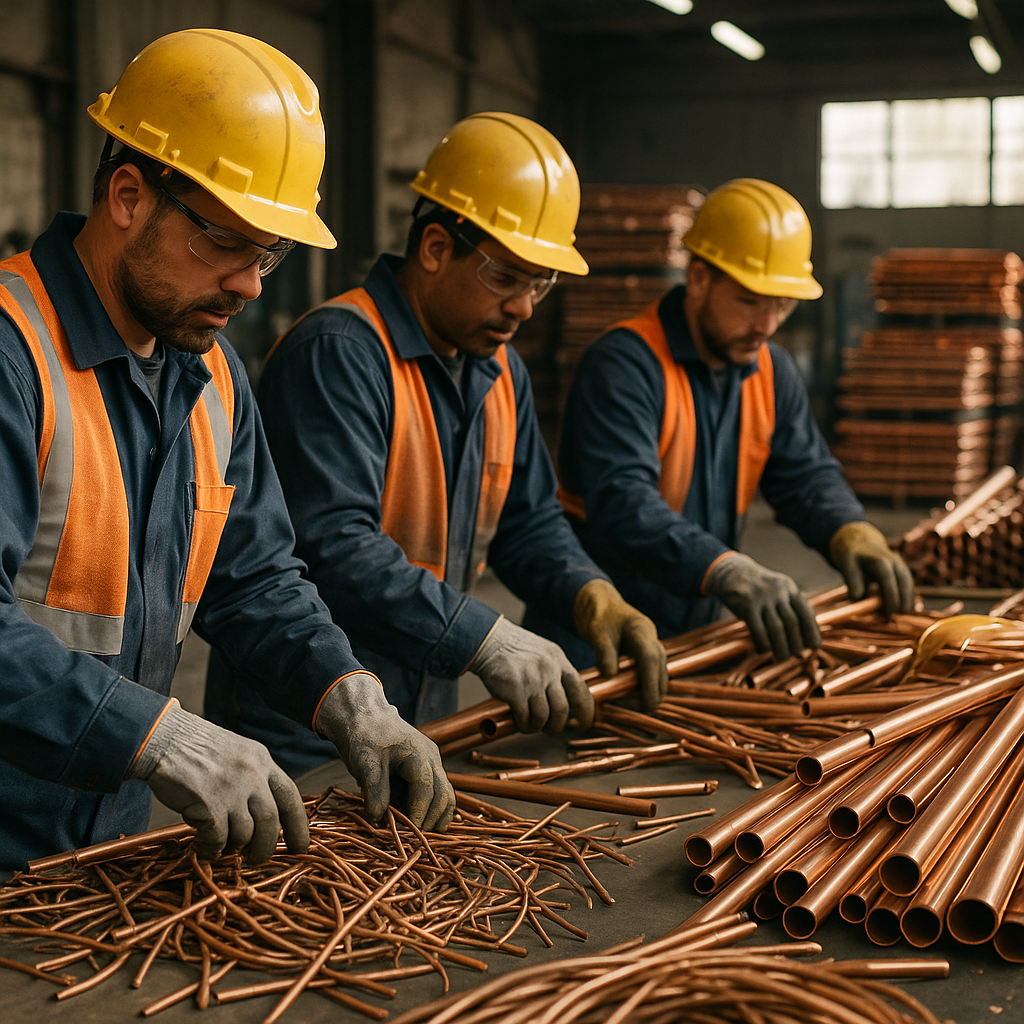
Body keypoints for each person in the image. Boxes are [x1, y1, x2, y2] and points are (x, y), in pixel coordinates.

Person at [0, 29, 453, 872]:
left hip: (112, 848)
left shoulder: (212, 375)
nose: (251, 284)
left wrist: (345, 693)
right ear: (129, 197)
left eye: (268, 252)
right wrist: (159, 735)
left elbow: (251, 578)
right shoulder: (11, 353)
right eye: (226, 242)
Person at [205, 112, 668, 778]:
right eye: (505, 277)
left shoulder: (499, 369)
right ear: (433, 248)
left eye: (540, 283)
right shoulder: (339, 354)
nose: (524, 309)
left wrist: (589, 590)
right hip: (310, 722)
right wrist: (485, 636)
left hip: (424, 706)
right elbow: (334, 545)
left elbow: (530, 523)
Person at [555, 178, 914, 661]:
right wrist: (727, 570)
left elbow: (805, 475)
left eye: (782, 305)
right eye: (750, 301)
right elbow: (624, 504)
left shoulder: (771, 369)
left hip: (700, 630)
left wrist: (849, 528)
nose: (767, 326)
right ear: (699, 279)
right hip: (600, 635)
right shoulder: (625, 365)